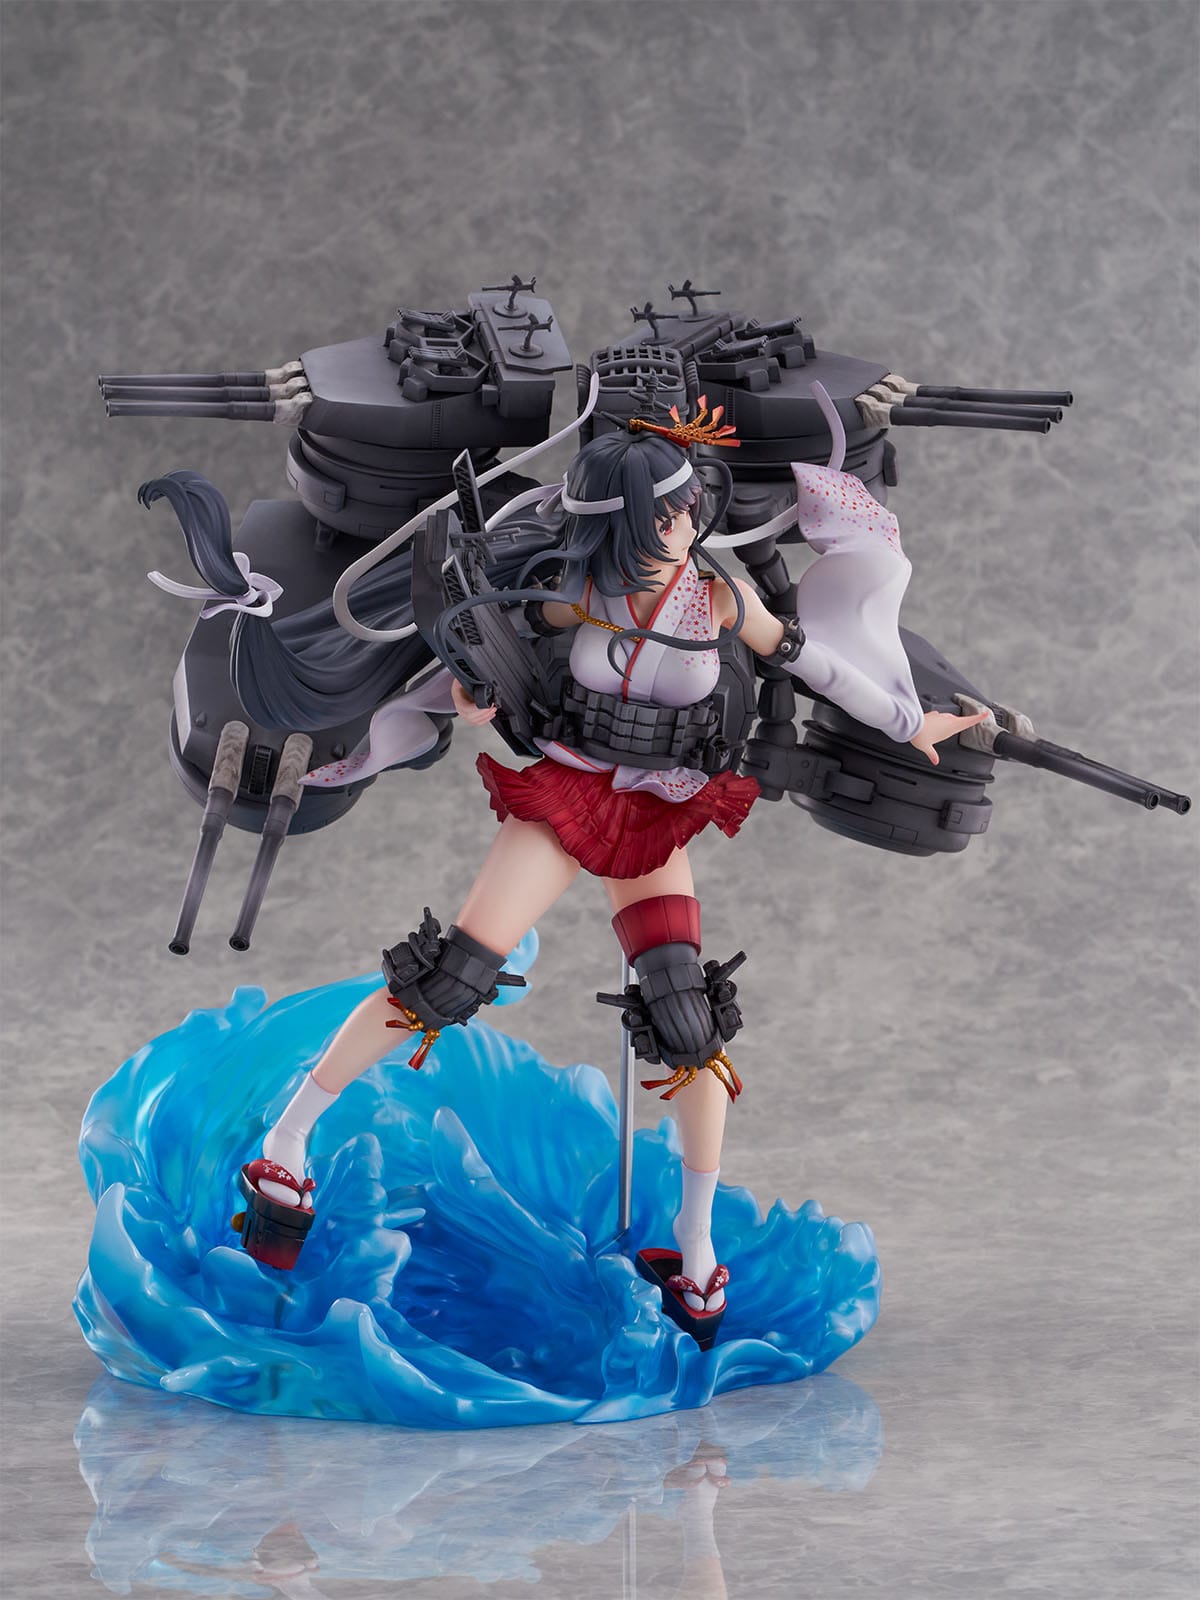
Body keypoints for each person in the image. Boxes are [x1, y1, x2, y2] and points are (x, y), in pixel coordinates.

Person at [182, 390, 982, 1345]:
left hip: (658, 813)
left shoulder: (721, 597)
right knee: (447, 980)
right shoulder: (581, 590)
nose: (685, 527)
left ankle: (694, 1248)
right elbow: (489, 637)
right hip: (568, 796)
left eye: (687, 509)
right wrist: (469, 693)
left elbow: (815, 664)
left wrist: (908, 721)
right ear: (623, 524)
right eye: (666, 516)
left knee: (687, 1022)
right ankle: (285, 1142)